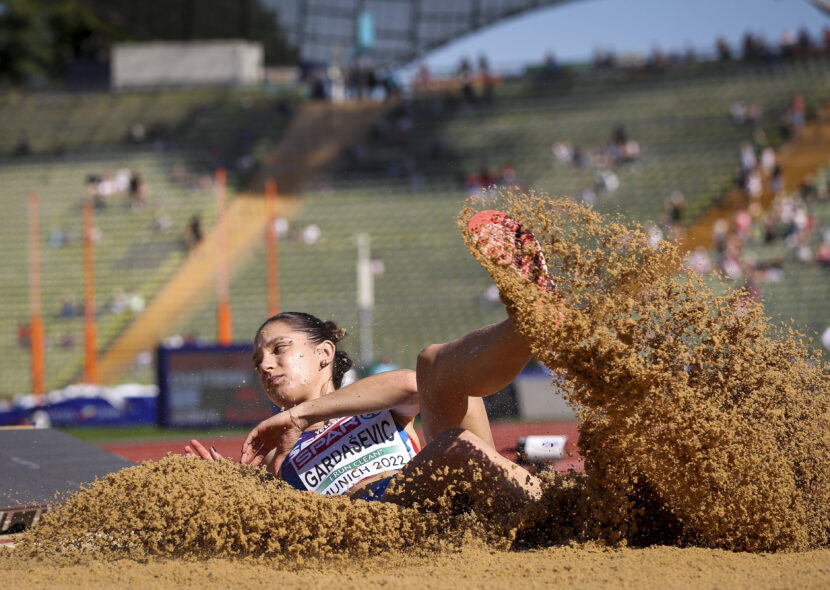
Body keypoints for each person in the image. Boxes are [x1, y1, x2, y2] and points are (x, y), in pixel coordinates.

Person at [186, 210, 550, 513]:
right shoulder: (274, 457)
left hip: (447, 494)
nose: (265, 365)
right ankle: (553, 508)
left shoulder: (369, 398)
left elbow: (411, 386)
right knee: (454, 446)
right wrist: (231, 486)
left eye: (279, 349)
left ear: (324, 354)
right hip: (383, 515)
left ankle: (529, 321)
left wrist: (301, 414)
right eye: (258, 360)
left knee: (433, 364)